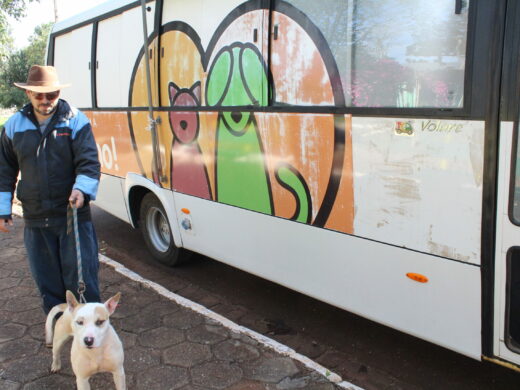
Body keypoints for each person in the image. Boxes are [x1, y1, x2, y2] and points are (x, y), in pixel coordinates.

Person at [0, 65, 101, 313]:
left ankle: (91, 335)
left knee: (82, 280)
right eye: (39, 95)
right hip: (35, 218)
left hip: (73, 216)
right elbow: (4, 169)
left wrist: (82, 190)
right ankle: (58, 328)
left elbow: (89, 161)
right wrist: (3, 209)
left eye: (51, 94)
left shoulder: (76, 120)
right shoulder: (14, 125)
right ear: (28, 94)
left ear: (58, 92)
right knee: (48, 282)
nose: (45, 100)